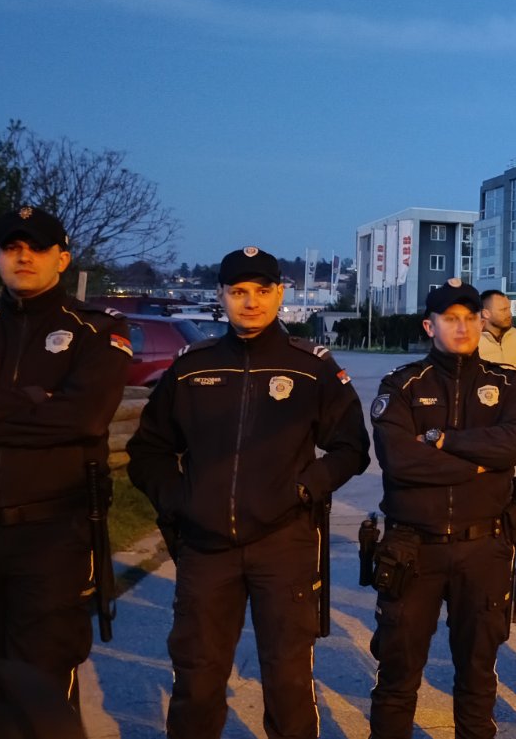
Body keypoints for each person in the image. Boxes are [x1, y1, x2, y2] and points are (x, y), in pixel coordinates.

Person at [127, 246, 370, 739]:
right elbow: (148, 450)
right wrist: (180, 501)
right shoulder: (193, 366)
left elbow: (351, 447)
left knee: (288, 680)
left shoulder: (311, 366)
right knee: (197, 678)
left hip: (283, 544)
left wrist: (306, 489)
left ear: (280, 293)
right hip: (206, 549)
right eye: (239, 292)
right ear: (222, 296)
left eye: (262, 291)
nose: (251, 302)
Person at [367, 278, 516, 739]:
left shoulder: (507, 384)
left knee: (478, 675)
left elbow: (512, 445)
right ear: (430, 325)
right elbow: (399, 460)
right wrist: (480, 467)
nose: (461, 327)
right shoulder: (401, 384)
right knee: (398, 676)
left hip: (484, 548)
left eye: (469, 317)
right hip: (412, 549)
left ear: (481, 322)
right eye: (450, 319)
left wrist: (444, 442)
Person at [0, 206, 131, 711]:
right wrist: (36, 400)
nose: (22, 256)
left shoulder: (95, 329)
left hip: (51, 539)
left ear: (62, 259)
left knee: (40, 688)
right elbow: (57, 416)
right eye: (11, 247)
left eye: (37, 247)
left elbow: (83, 419)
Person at [478, 287, 516, 395]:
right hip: (484, 406)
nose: (509, 314)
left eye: (509, 308)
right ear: (486, 313)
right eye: (503, 310)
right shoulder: (473, 340)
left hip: (515, 404)